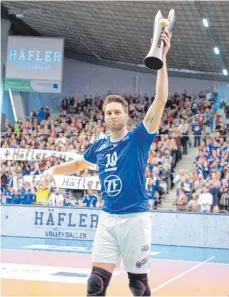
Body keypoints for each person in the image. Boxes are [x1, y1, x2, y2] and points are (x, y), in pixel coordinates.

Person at [43, 30, 172, 296]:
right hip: (108, 218)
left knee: (138, 285)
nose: (112, 116)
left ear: (126, 114)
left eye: (117, 112)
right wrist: (52, 170)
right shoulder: (99, 146)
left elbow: (160, 101)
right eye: (108, 113)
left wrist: (162, 59)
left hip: (135, 218)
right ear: (104, 117)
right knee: (95, 282)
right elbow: (78, 164)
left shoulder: (138, 138)